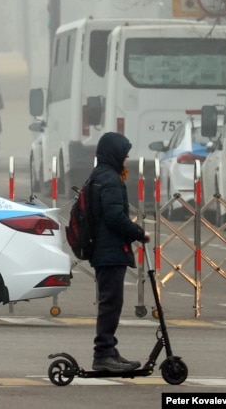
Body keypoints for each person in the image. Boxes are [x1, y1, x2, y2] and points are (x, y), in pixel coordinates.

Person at [88, 132, 151, 373]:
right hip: (110, 250)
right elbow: (114, 216)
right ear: (114, 153)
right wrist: (138, 232)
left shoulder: (99, 175)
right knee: (110, 303)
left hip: (104, 249)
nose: (126, 158)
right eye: (123, 153)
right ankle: (103, 353)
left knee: (111, 302)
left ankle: (109, 350)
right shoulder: (110, 179)